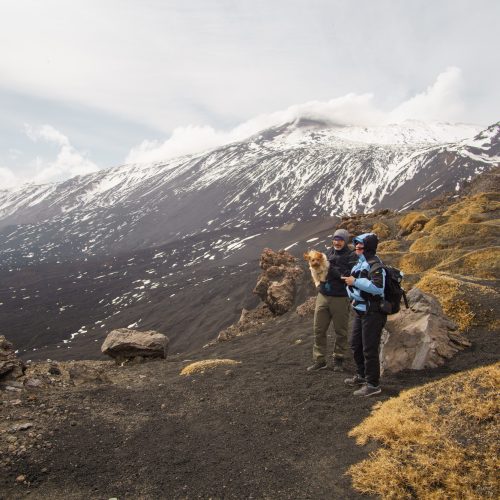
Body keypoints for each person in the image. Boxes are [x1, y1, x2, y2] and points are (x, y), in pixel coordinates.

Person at [341, 233, 386, 396]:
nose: (356, 249)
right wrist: (353, 296)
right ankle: (361, 375)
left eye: (360, 247)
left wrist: (355, 282)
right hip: (361, 310)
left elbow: (378, 288)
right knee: (355, 344)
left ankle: (373, 385)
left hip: (373, 312)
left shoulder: (376, 265)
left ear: (368, 248)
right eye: (356, 246)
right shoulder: (360, 264)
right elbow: (356, 286)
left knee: (369, 348)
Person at [307, 229, 357, 372]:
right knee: (318, 329)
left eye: (340, 239)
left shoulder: (351, 256)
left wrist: (330, 268)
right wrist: (318, 281)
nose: (337, 242)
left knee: (341, 331)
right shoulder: (326, 254)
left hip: (340, 298)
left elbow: (347, 275)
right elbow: (315, 268)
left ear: (345, 240)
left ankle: (339, 359)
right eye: (335, 239)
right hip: (323, 296)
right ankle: (319, 360)